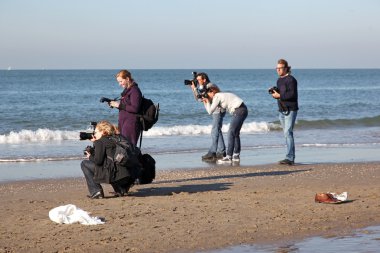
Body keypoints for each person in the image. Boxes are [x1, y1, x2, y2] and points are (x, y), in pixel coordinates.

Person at [81, 120, 135, 199]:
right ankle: (120, 189)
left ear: (103, 132)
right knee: (110, 164)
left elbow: (98, 161)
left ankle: (96, 192)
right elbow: (107, 157)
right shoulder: (113, 138)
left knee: (84, 164)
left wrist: (90, 157)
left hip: (113, 175)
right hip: (124, 175)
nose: (94, 134)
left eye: (95, 133)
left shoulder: (100, 142)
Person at [203, 85, 248, 164]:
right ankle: (236, 155)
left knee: (230, 132)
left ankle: (229, 156)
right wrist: (206, 102)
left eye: (208, 94)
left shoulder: (217, 96)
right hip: (243, 109)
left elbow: (210, 111)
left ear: (212, 92)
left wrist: (206, 102)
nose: (208, 96)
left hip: (238, 111)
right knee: (235, 133)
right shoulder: (222, 95)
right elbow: (214, 110)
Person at [190, 72, 226, 161]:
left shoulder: (210, 85)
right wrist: (194, 89)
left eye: (198, 80)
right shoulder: (203, 87)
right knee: (217, 130)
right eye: (197, 80)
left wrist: (198, 89)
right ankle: (222, 151)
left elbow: (210, 95)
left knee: (214, 131)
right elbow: (199, 99)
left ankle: (212, 152)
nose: (197, 81)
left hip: (218, 109)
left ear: (204, 79)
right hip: (215, 110)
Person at [270, 59, 299, 165]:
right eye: (276, 68)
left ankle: (290, 158)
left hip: (291, 110)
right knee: (286, 134)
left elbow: (292, 95)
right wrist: (275, 94)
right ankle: (289, 157)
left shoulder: (291, 80)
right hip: (281, 110)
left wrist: (279, 95)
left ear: (286, 68)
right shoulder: (279, 80)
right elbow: (281, 95)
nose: (278, 70)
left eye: (280, 68)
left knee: (288, 133)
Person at [109, 70, 142, 146]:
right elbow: (126, 107)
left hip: (131, 124)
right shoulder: (127, 90)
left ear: (127, 79)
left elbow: (135, 108)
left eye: (121, 81)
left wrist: (119, 105)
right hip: (123, 123)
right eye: (118, 82)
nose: (119, 84)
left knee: (129, 148)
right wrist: (114, 105)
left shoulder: (135, 91)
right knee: (124, 148)